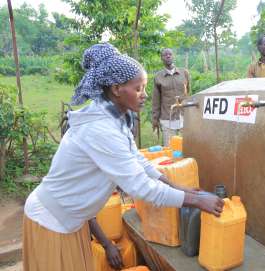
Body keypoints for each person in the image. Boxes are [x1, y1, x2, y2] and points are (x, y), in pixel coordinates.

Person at [22, 43, 224, 271]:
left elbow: (137, 159)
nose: (145, 95)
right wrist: (196, 200)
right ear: (117, 89)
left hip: (72, 220)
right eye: (139, 88)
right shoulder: (100, 129)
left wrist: (178, 187)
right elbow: (141, 187)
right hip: (51, 219)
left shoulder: (114, 117)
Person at [152, 48, 190, 146]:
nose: (168, 56)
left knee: (186, 148)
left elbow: (188, 92)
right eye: (165, 55)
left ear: (173, 56)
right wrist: (155, 119)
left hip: (184, 117)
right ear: (162, 58)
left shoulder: (184, 73)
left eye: (170, 54)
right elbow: (156, 100)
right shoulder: (158, 77)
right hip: (167, 119)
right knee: (170, 150)